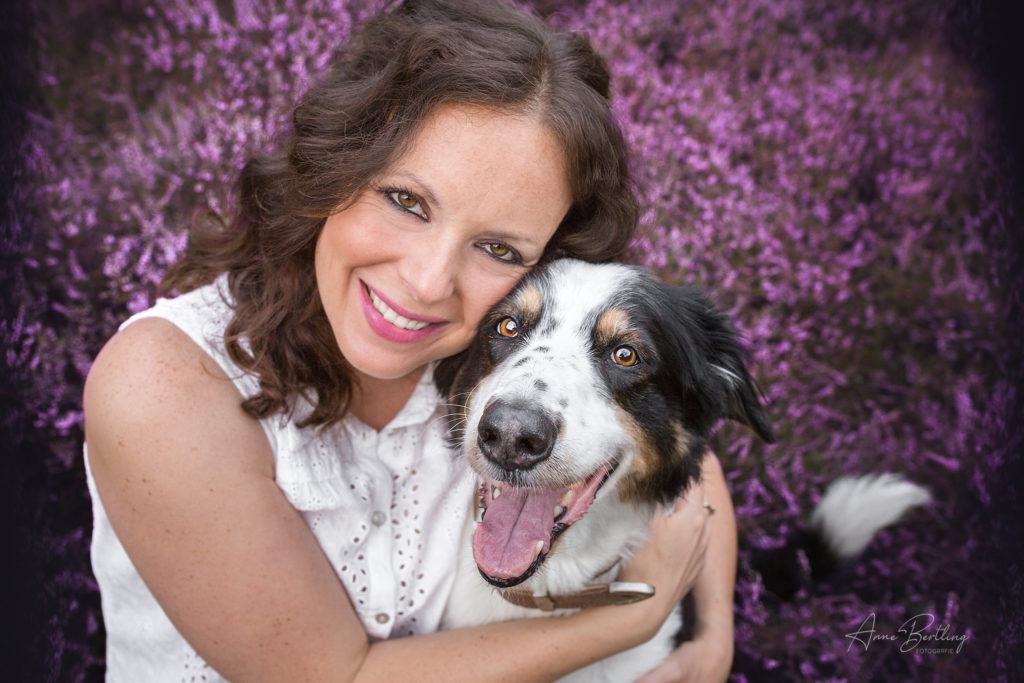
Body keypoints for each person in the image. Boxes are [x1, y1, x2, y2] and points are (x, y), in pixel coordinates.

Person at [83, 0, 737, 680]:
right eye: (406, 200)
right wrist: (637, 611)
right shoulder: (162, 384)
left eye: (497, 246)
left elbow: (680, 438)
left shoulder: (484, 353)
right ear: (336, 161)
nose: (427, 283)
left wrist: (714, 632)